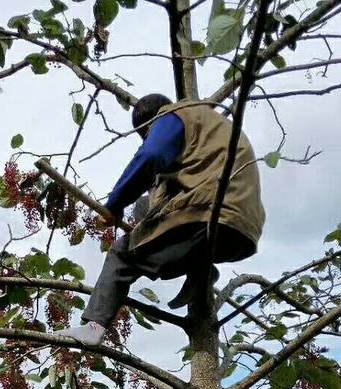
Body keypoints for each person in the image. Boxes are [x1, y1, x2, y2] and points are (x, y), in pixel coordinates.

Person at [47, 93, 265, 346]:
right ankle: (200, 269)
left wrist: (114, 205)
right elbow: (159, 198)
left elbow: (151, 156)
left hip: (208, 214)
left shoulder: (172, 117)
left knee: (121, 253)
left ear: (149, 124)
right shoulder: (212, 126)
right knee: (146, 206)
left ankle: (94, 327)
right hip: (242, 229)